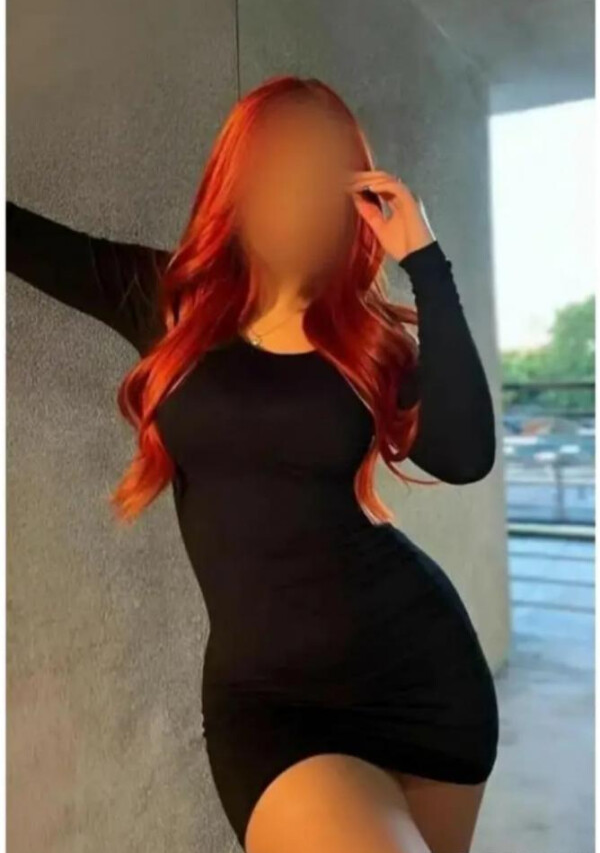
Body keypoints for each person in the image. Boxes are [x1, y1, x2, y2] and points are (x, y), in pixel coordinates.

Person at [7, 75, 499, 853]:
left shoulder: (367, 341)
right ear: (233, 180)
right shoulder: (168, 302)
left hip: (423, 683)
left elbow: (466, 455)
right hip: (272, 709)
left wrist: (427, 263)